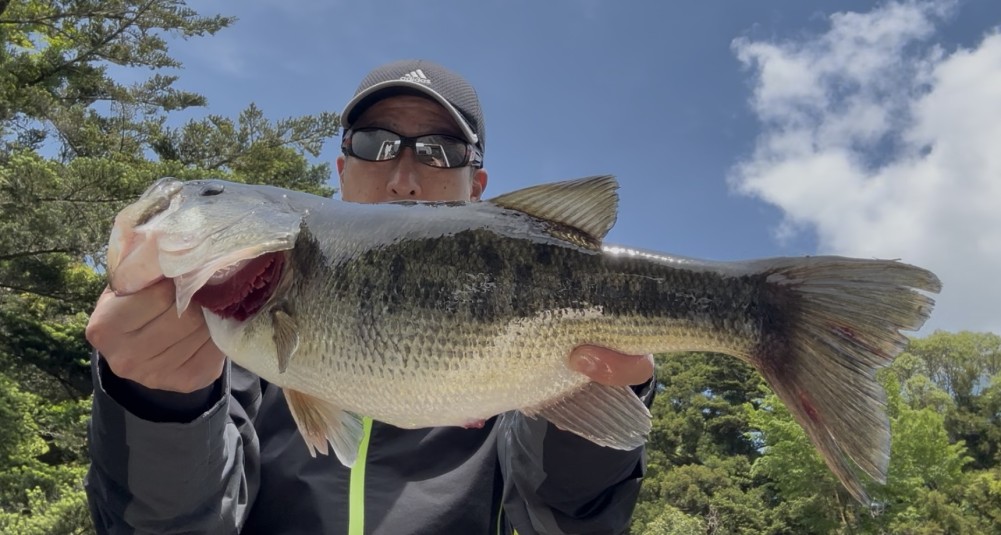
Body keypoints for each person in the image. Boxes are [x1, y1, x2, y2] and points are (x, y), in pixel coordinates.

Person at [84, 59, 656, 535]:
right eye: (376, 143)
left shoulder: (518, 369)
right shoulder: (229, 352)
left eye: (439, 150)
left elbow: (565, 523)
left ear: (477, 188)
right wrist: (157, 407)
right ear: (342, 169)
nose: (404, 175)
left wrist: (587, 413)